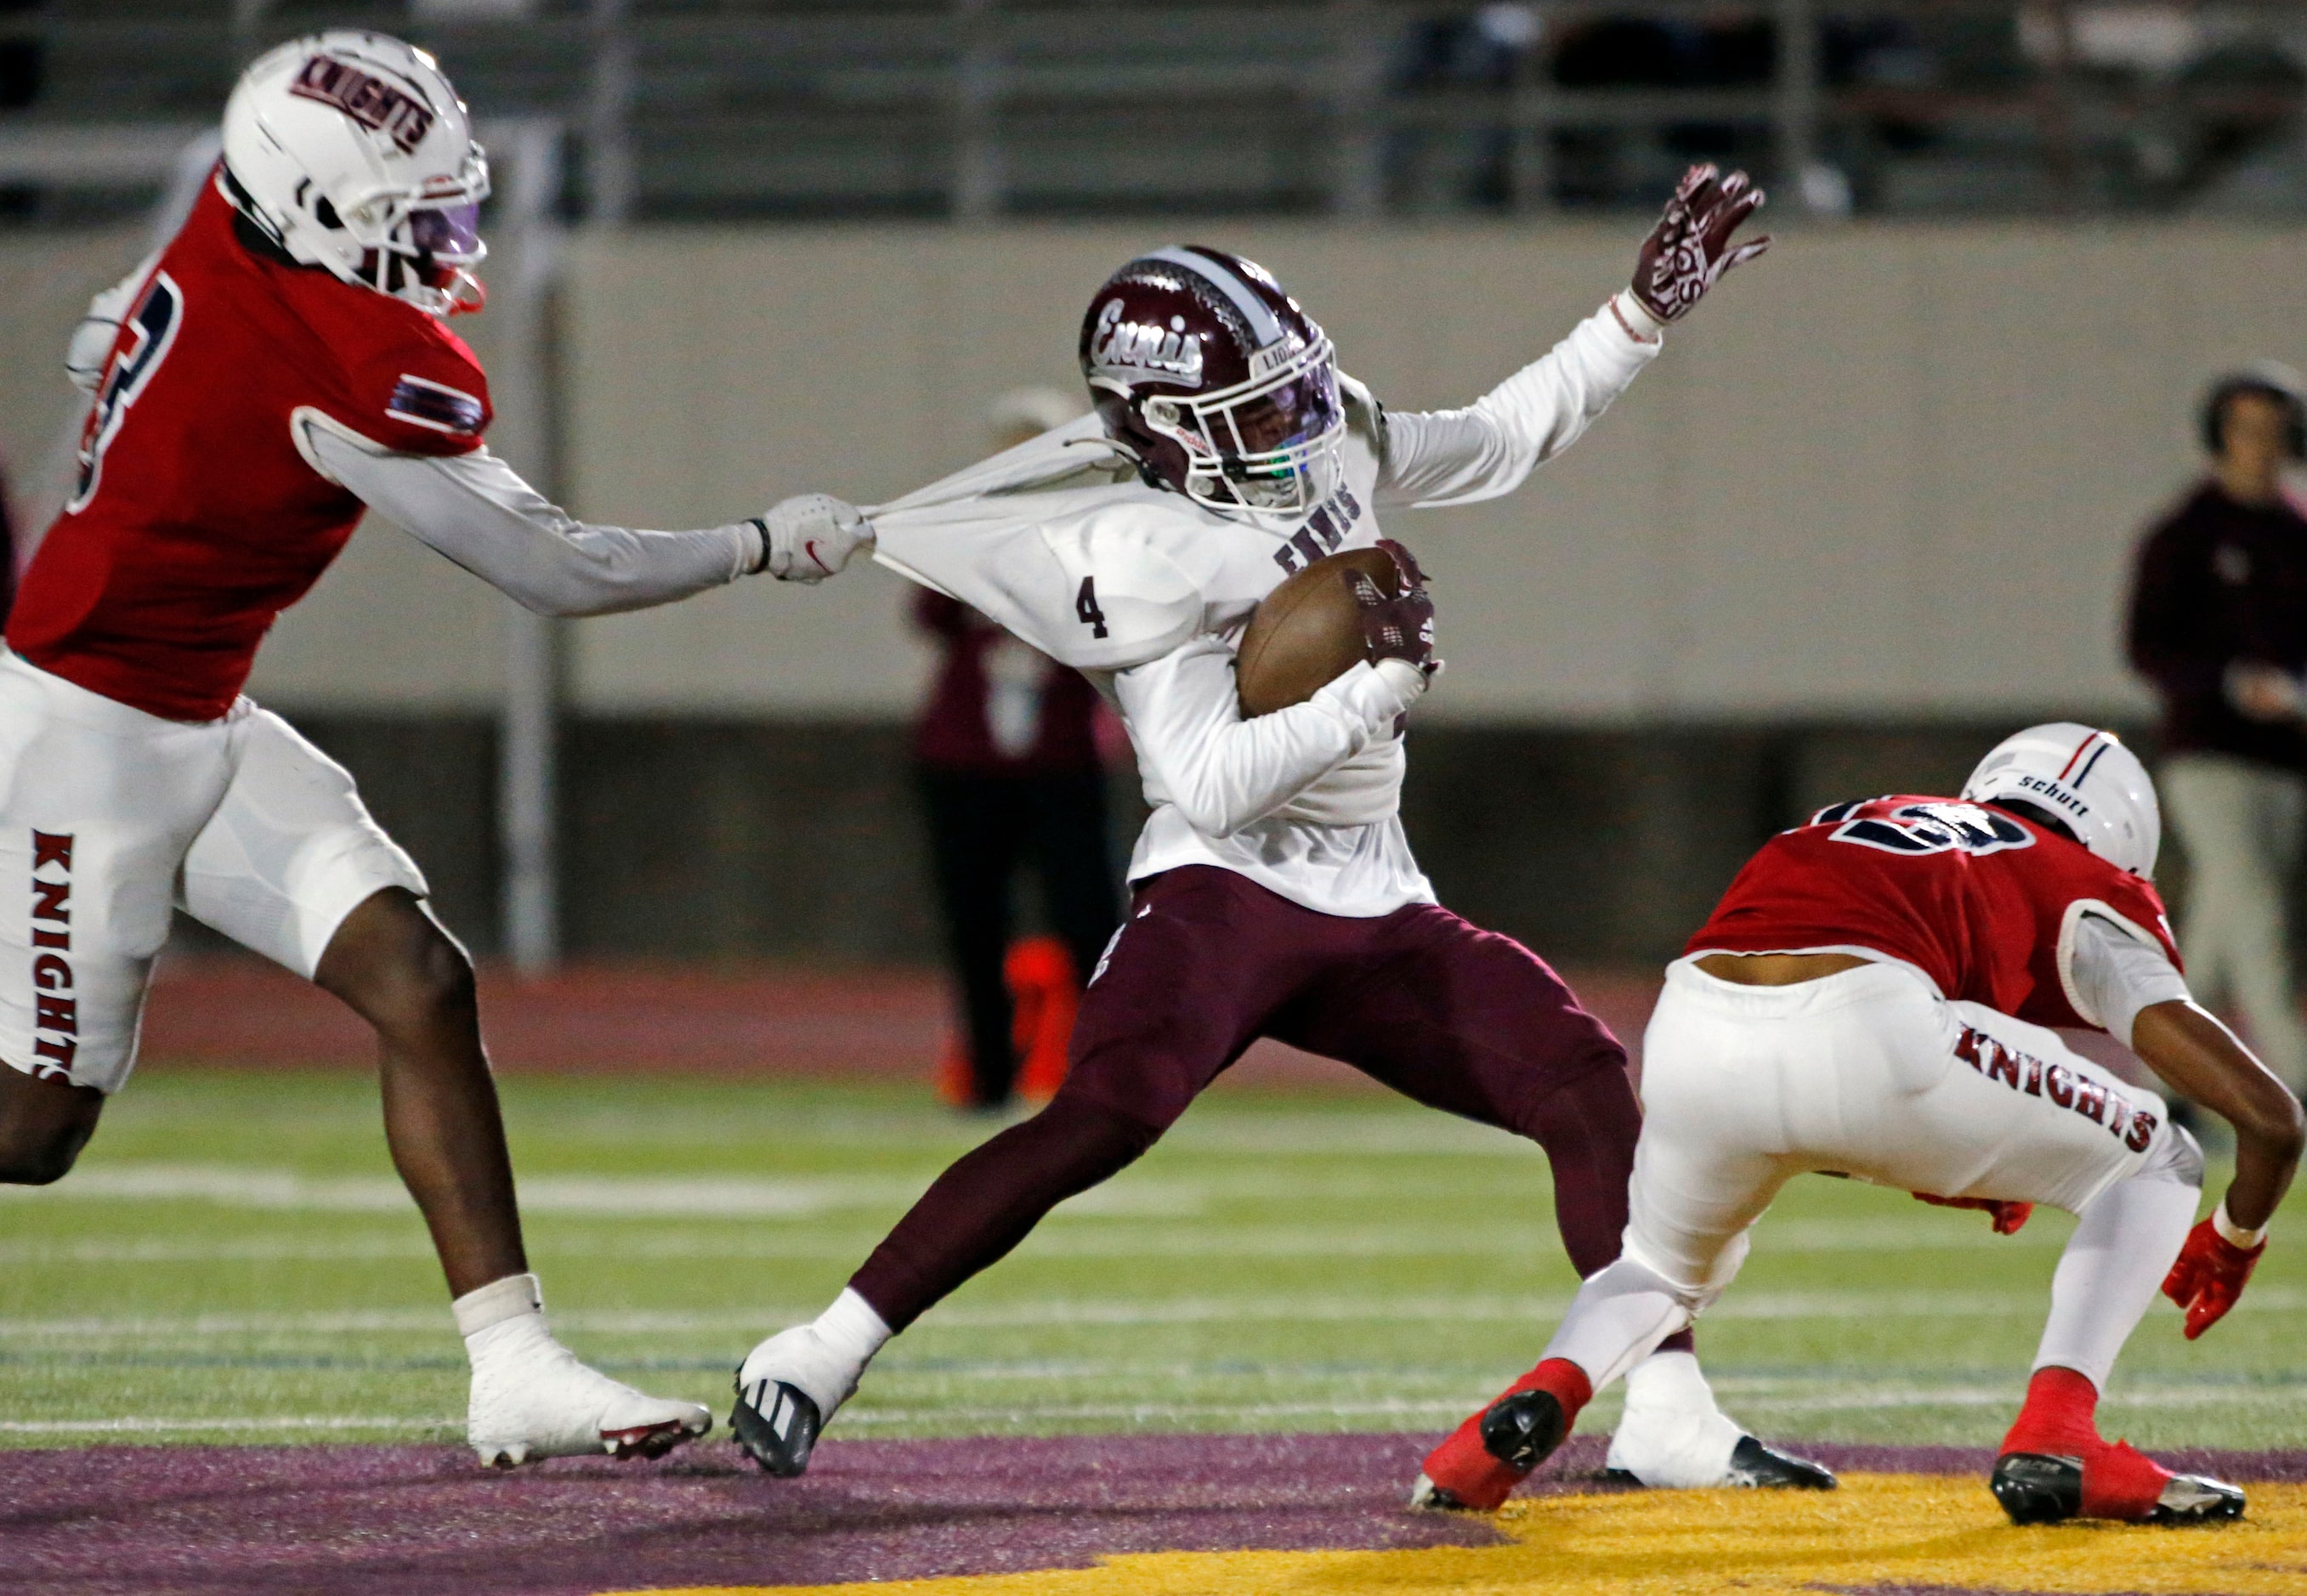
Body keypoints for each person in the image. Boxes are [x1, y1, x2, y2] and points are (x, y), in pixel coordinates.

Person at [728, 165, 1828, 1495]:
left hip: (1376, 897)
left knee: (1588, 1083)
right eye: (1259, 409)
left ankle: (1662, 1404)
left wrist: (1633, 322)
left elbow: (1492, 438)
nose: (1300, 425)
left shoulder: (1328, 440)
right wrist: (1373, 688)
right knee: (1106, 1110)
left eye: (1298, 388)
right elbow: (1202, 779)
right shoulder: (1145, 548)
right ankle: (818, 1348)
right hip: (1225, 894)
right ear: (1165, 434)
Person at [0, 31, 871, 1467]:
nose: (450, 246)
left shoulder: (234, 218)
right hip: (79, 736)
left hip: (196, 705)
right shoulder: (338, 357)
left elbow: (130, 325)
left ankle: (513, 1363)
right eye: (417, 221)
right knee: (31, 1133)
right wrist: (758, 544)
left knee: (418, 975)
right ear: (315, 209)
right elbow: (559, 567)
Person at [1415, 725, 2304, 1525]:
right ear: (2119, 840)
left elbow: (1806, 1097)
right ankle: (2058, 1434)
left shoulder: (1861, 818)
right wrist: (2233, 1234)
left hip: (1689, 1022)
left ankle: (1508, 1423)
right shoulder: (2084, 881)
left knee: (1659, 1267)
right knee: (2156, 1157)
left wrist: (1970, 1161)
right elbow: (2268, 1119)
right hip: (1868, 1025)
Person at [913, 388, 1122, 1111]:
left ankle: (1102, 1075)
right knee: (976, 922)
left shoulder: (1098, 531)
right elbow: (930, 610)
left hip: (1061, 756)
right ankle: (988, 1076)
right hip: (967, 756)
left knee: (1088, 921)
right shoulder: (969, 524)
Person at [2128, 365, 2307, 1093]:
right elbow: (2147, 648)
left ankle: (2158, 1085)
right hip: (2208, 755)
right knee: (2260, 915)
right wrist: (2230, 681)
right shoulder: (2184, 535)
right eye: (2245, 431)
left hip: (2287, 758)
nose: (2259, 446)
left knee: (2217, 930)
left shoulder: (2298, 536)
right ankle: (2292, 1091)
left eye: (2272, 432)